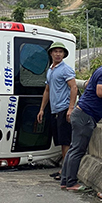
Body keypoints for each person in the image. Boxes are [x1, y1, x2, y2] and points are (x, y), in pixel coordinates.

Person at [61, 46, 102, 192]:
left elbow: (89, 84)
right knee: (77, 150)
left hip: (81, 113)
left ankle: (65, 181)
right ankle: (71, 183)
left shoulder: (101, 69)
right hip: (85, 116)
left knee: (73, 149)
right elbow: (101, 92)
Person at [36, 41, 77, 180]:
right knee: (60, 141)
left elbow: (74, 87)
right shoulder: (51, 70)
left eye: (60, 52)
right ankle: (63, 170)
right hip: (54, 110)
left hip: (64, 109)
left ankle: (65, 172)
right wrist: (42, 109)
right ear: (51, 54)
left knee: (66, 142)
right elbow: (47, 90)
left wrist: (70, 108)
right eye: (55, 51)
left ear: (64, 54)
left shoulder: (66, 69)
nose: (58, 54)